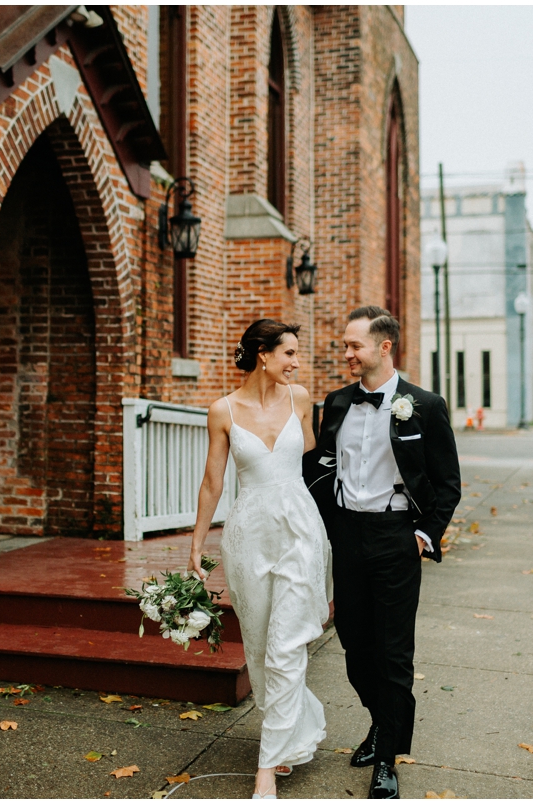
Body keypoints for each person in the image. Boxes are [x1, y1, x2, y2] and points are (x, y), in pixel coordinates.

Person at [303, 306, 461, 799]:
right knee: (354, 646)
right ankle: (379, 722)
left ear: (384, 347)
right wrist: (325, 523)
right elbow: (319, 469)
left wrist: (423, 535)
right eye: (345, 346)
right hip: (347, 537)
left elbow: (447, 484)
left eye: (354, 346)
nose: (347, 354)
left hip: (396, 538)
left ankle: (387, 758)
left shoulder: (425, 405)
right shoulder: (336, 402)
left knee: (394, 653)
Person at [190, 319, 331, 800]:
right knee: (259, 647)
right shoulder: (223, 410)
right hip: (249, 537)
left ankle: (266, 769)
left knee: (287, 643)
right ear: (261, 354)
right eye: (288, 353)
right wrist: (196, 543)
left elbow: (311, 461)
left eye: (296, 353)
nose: (296, 362)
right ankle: (291, 734)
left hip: (300, 533)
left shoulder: (301, 399)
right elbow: (213, 483)